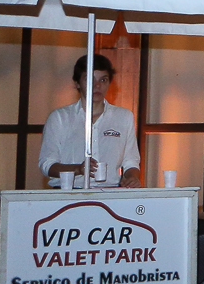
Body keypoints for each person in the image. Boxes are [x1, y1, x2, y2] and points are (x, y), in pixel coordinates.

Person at [40, 54, 142, 189]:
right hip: (68, 193)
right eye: (89, 79)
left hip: (111, 192)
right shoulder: (59, 117)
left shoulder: (124, 117)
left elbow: (131, 161)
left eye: (103, 80)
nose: (97, 85)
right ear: (77, 83)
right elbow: (47, 164)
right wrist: (78, 169)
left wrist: (132, 178)